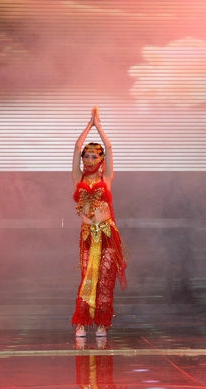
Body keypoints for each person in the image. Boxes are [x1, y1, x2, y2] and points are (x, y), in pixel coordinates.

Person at [71, 107, 127, 338]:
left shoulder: (106, 178)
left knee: (105, 279)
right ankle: (82, 323)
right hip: (88, 235)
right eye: (87, 156)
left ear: (101, 159)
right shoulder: (78, 177)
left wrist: (99, 126)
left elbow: (110, 148)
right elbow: (76, 148)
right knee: (88, 277)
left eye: (95, 156)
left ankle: (102, 323)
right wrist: (89, 125)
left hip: (106, 234)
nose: (89, 159)